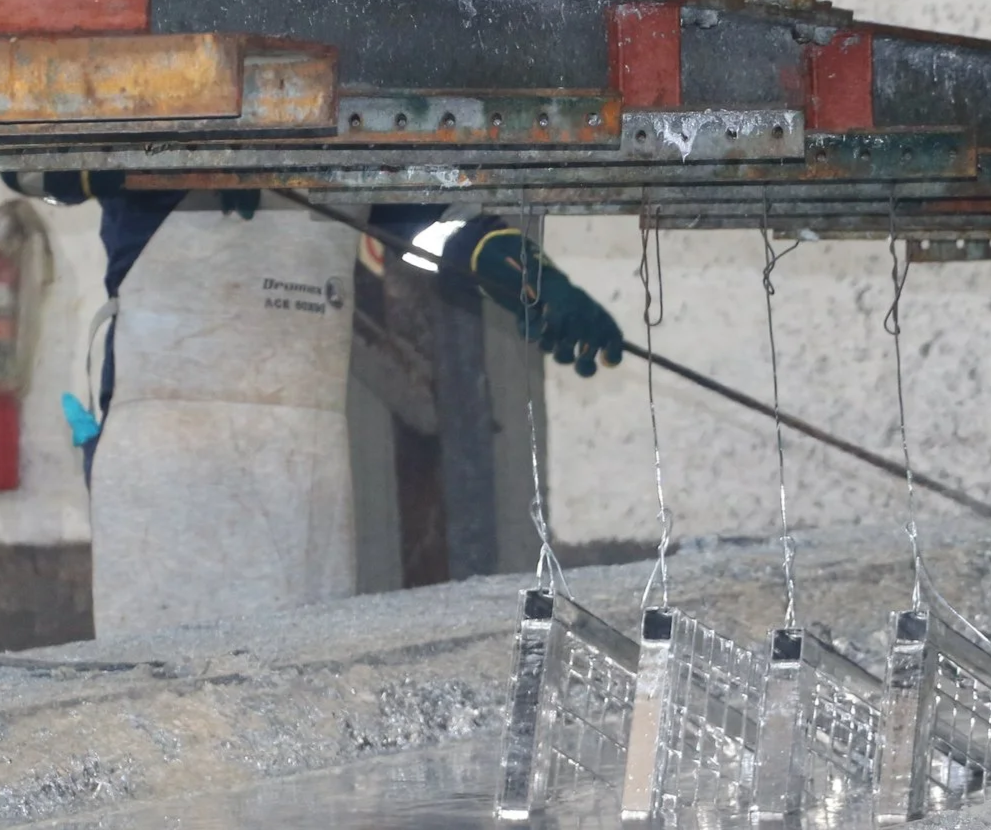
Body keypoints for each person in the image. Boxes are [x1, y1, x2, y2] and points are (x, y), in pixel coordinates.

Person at [1, 170, 625, 636]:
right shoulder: (164, 59)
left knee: (300, 699)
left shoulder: (350, 95)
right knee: (158, 709)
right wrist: (163, 150)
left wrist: (497, 256)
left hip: (305, 464)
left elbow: (426, 218)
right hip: (171, 462)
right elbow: (29, 156)